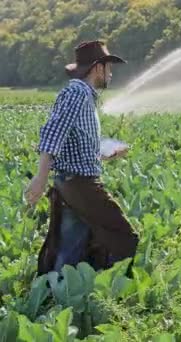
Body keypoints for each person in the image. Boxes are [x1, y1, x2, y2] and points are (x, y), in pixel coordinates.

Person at [24, 40, 139, 276]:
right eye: (108, 67)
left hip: (72, 182)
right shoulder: (77, 93)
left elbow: (73, 142)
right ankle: (108, 288)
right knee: (123, 236)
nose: (110, 73)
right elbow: (53, 133)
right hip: (80, 184)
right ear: (97, 67)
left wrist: (105, 153)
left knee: (71, 246)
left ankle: (58, 293)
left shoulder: (84, 95)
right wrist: (40, 178)